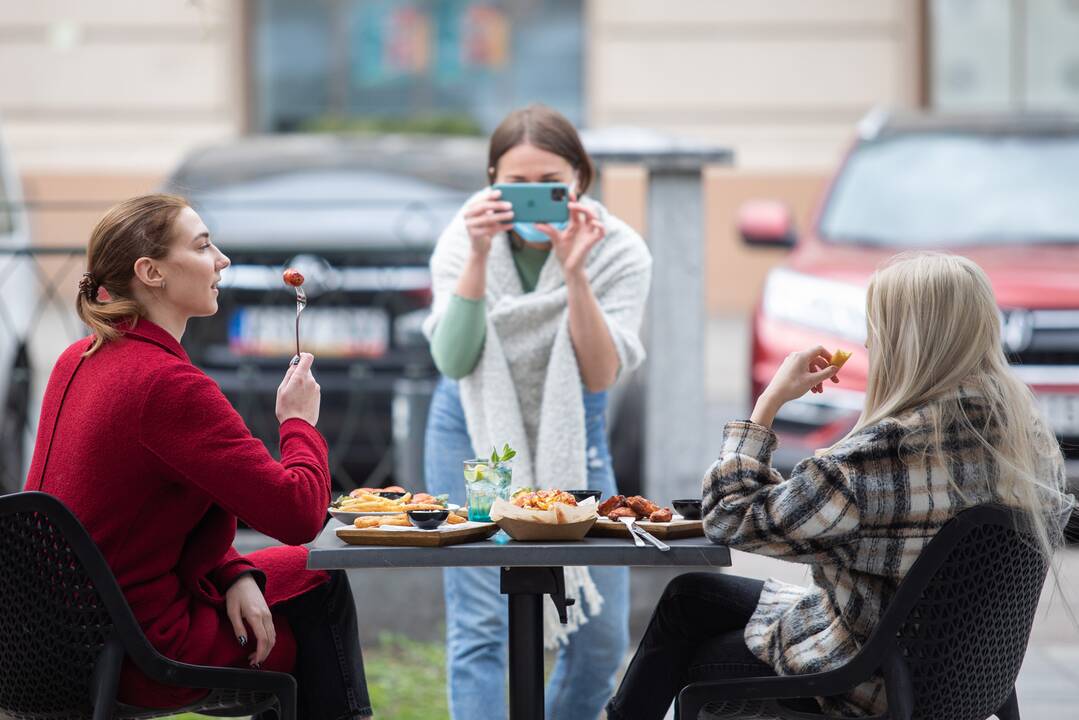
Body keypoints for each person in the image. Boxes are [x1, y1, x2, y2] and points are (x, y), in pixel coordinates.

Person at [607, 252, 1074, 718]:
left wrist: (767, 404)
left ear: (903, 341)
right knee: (690, 597)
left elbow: (731, 517)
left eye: (877, 327)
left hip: (865, 680)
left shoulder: (878, 457)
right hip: (962, 677)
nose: (870, 341)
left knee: (699, 656)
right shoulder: (1029, 441)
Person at [25, 194, 372, 719]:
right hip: (138, 651)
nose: (223, 259)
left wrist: (234, 572)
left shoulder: (80, 357)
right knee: (318, 579)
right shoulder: (167, 386)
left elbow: (141, 510)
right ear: (151, 272)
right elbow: (299, 515)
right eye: (204, 245)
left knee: (295, 573)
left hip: (52, 643)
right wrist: (298, 422)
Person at [422, 104, 652, 720]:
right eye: (513, 184)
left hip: (575, 429)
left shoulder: (618, 251)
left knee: (599, 632)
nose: (529, 201)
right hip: (469, 425)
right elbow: (453, 356)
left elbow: (602, 372)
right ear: (491, 178)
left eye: (547, 185)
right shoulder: (462, 237)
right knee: (480, 622)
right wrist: (475, 258)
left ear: (579, 179)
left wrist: (574, 274)